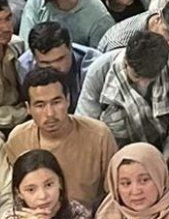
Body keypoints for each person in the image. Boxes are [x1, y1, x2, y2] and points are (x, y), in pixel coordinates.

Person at [2, 67, 117, 211]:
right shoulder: (18, 139)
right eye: (40, 105)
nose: (50, 113)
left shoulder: (99, 136)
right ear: (28, 108)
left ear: (68, 100)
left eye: (56, 102)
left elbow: (113, 194)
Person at [77, 31, 169, 161]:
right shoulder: (99, 70)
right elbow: (86, 124)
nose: (143, 83)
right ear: (126, 61)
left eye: (150, 79)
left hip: (162, 148)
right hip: (112, 150)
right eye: (137, 76)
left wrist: (164, 159)